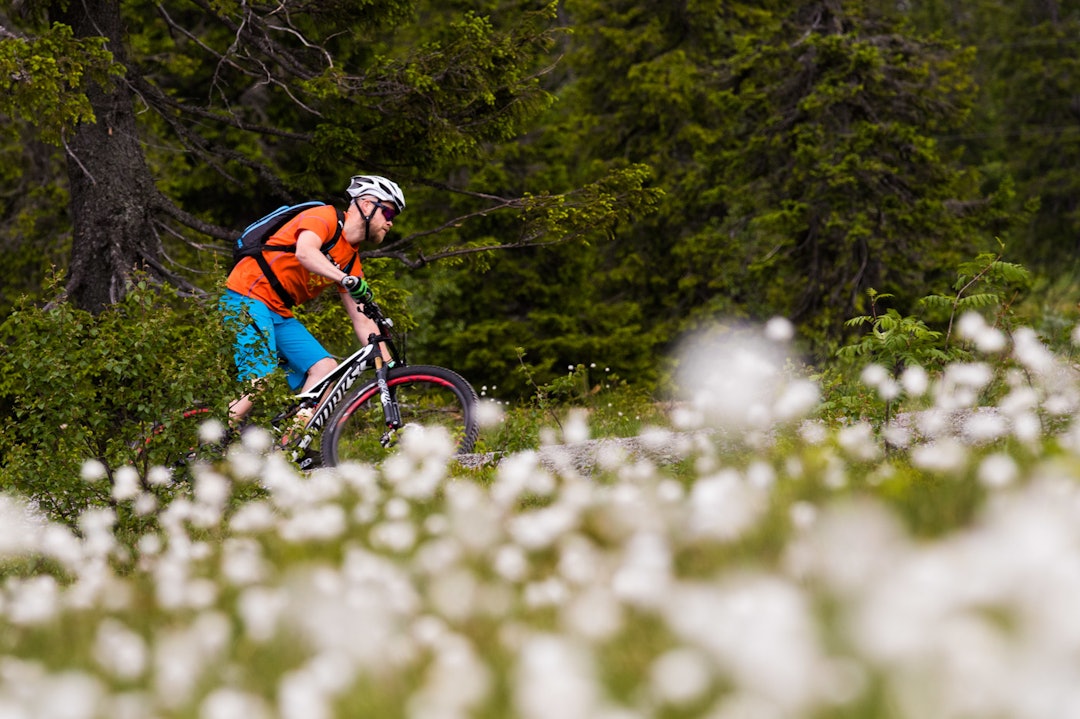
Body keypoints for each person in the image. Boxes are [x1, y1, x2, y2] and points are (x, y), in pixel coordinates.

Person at [221, 174, 405, 423]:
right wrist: (344, 279)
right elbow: (305, 252)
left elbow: (362, 321)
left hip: (279, 312)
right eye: (389, 214)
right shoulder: (325, 216)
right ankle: (204, 446)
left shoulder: (351, 260)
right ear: (366, 205)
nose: (391, 223)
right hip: (246, 296)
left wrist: (389, 365)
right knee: (259, 380)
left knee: (326, 369)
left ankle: (290, 444)